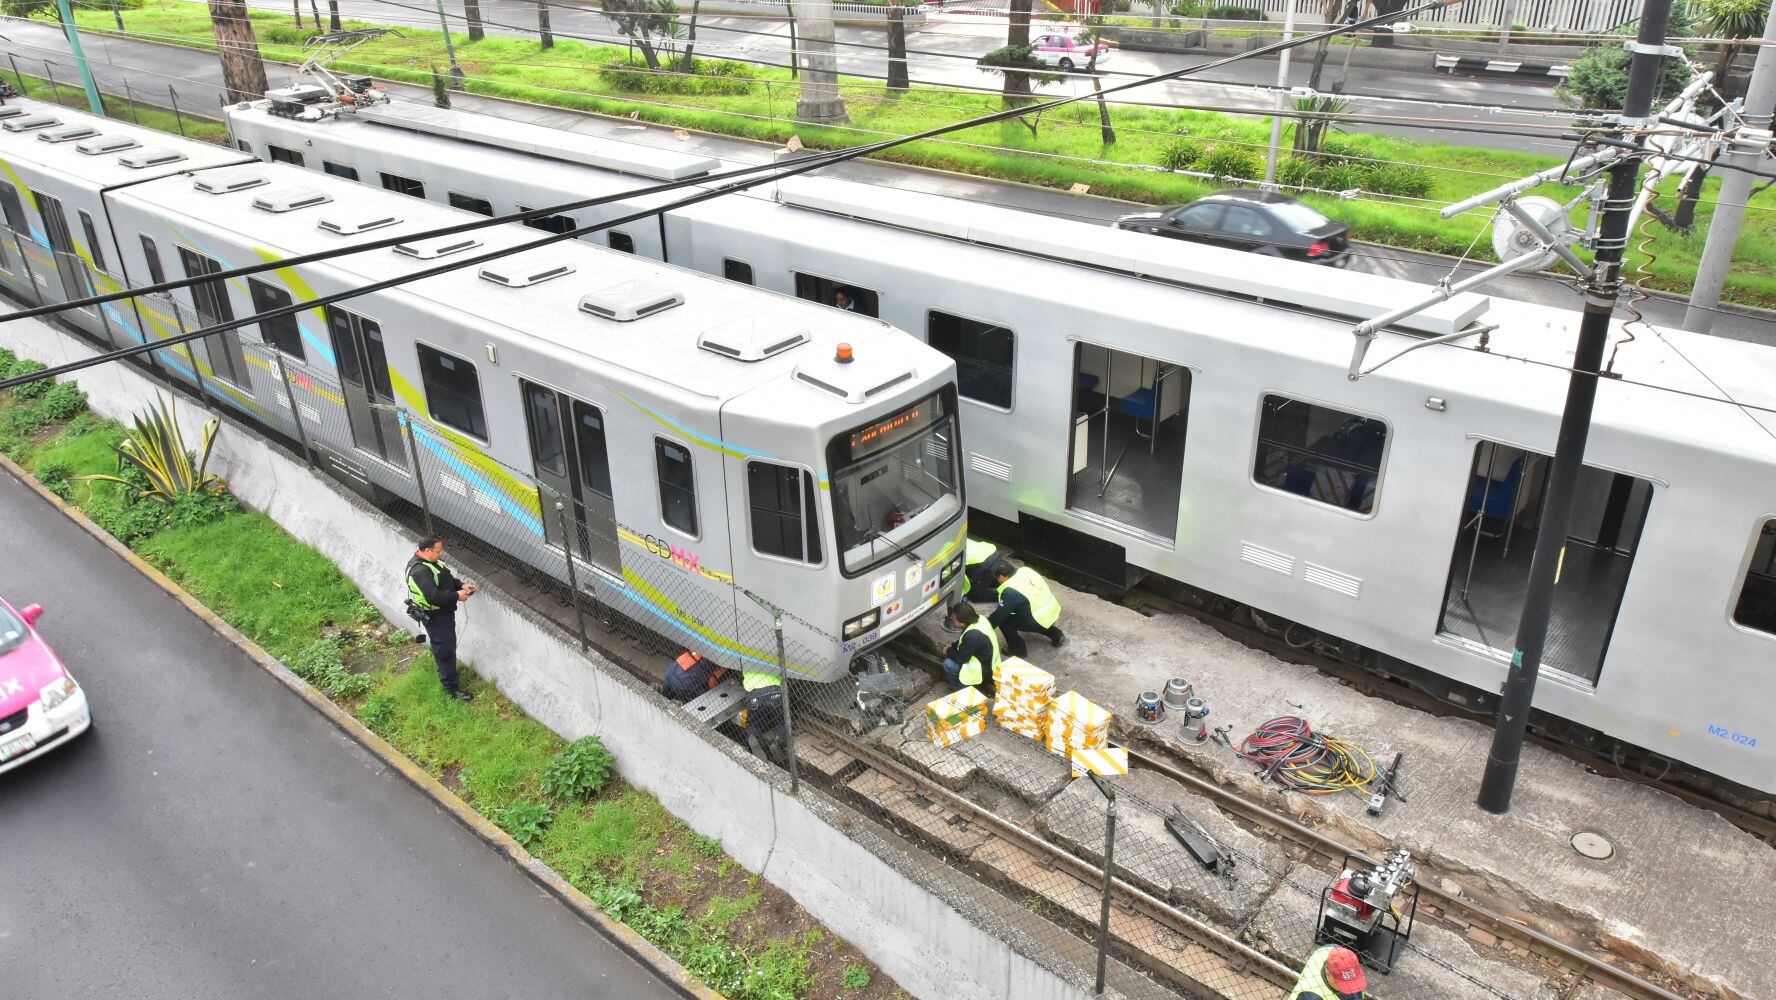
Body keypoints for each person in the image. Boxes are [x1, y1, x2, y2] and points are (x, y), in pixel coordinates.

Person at [406, 535, 477, 701]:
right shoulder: (419, 572)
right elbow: (434, 597)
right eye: (438, 551)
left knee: (447, 646)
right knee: (445, 650)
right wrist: (457, 596)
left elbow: (445, 577)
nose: (441, 553)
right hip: (436, 616)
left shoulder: (431, 562)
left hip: (442, 613)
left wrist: (460, 585)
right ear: (427, 551)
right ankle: (451, 688)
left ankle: (447, 672)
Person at [989, 559, 1065, 657]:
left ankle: (1018, 651)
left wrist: (985, 626)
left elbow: (998, 616)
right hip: (1052, 610)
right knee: (1035, 614)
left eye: (997, 578)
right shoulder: (1025, 570)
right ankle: (1057, 635)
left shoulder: (1010, 591)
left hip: (1039, 618)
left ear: (1002, 577)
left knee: (1004, 621)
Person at [940, 602, 999, 693]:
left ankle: (960, 690)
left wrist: (947, 650)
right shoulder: (980, 619)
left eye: (954, 619)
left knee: (948, 664)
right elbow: (966, 643)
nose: (953, 621)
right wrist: (954, 646)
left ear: (962, 622)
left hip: (983, 670)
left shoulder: (972, 636)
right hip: (990, 663)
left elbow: (961, 659)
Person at [741, 670, 788, 762]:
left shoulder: (744, 655)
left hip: (753, 693)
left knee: (754, 721)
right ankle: (782, 744)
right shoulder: (777, 655)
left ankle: (755, 741)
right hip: (774, 689)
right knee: (780, 720)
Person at [1289, 944, 1368, 999]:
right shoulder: (1311, 997)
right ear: (1328, 973)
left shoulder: (1329, 949)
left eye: (1353, 981)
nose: (1351, 988)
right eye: (1344, 984)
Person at [960, 536, 999, 600]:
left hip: (985, 563)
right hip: (991, 551)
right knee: (985, 581)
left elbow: (964, 580)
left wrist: (962, 594)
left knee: (976, 596)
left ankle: (1003, 593)